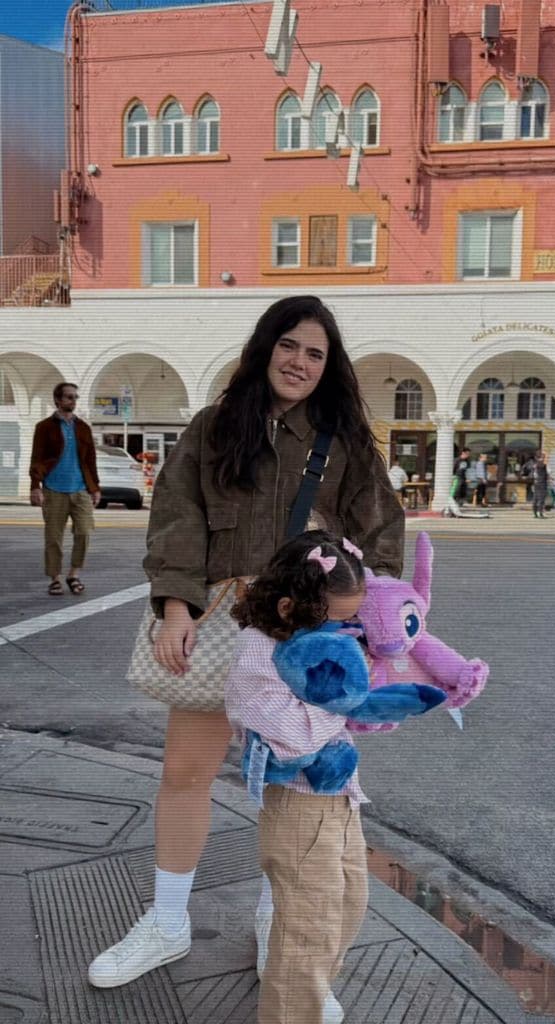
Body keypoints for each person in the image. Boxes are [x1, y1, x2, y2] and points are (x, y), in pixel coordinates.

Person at [87, 295, 404, 988]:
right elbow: (177, 517)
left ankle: (278, 923)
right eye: (289, 345)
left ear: (330, 366)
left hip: (304, 634)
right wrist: (176, 607)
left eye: (316, 353)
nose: (300, 362)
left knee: (291, 787)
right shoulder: (214, 427)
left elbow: (380, 536)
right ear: (266, 347)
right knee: (185, 772)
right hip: (217, 616)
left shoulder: (344, 442)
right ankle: (168, 922)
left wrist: (366, 628)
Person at [226, 532, 368, 1024]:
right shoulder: (257, 653)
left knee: (349, 900)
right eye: (335, 620)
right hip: (297, 805)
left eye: (351, 620)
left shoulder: (317, 645)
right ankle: (293, 1004)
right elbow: (294, 737)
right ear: (289, 608)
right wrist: (346, 703)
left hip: (339, 798)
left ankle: (312, 985)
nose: (345, 631)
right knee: (308, 924)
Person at [29, 382, 101, 595]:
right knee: (53, 537)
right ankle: (55, 578)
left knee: (85, 532)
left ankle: (74, 574)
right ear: (58, 400)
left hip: (80, 490)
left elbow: (90, 461)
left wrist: (95, 487)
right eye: (69, 397)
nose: (73, 401)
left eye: (75, 397)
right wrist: (35, 486)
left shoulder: (83, 428)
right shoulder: (44, 427)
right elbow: (37, 459)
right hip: (53, 490)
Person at [531, 449, 549, 518]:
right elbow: (543, 474)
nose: (545, 457)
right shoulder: (541, 464)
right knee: (541, 498)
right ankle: (540, 513)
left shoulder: (534, 464)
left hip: (536, 483)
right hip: (542, 483)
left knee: (535, 498)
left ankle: (535, 513)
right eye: (544, 456)